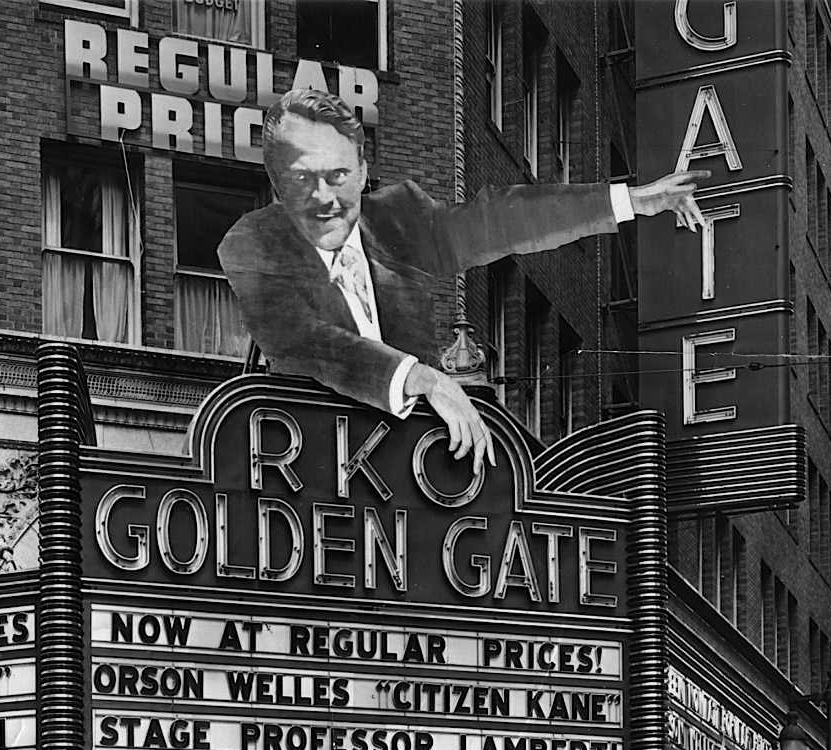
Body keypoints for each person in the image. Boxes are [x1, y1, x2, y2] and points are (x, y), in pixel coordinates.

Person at [218, 88, 709, 474]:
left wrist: (631, 201)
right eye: (305, 179)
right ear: (278, 181)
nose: (327, 197)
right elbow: (302, 340)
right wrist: (425, 379)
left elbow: (497, 219)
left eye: (340, 174)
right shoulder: (250, 241)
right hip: (300, 469)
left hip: (411, 476)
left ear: (364, 171)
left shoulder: (399, 217)